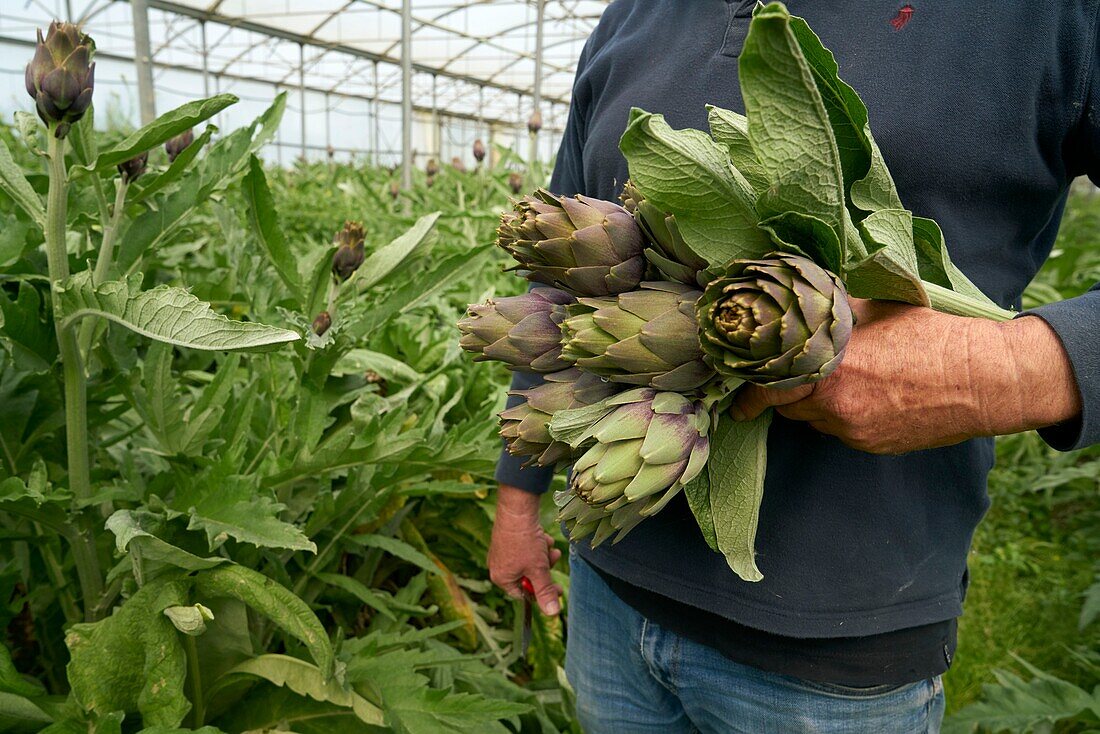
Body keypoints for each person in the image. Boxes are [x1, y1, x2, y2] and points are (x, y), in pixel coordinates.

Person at [487, 2, 1099, 732]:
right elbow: (557, 290)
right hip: (608, 578)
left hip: (837, 653)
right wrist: (518, 495)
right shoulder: (630, 14)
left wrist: (1010, 368)